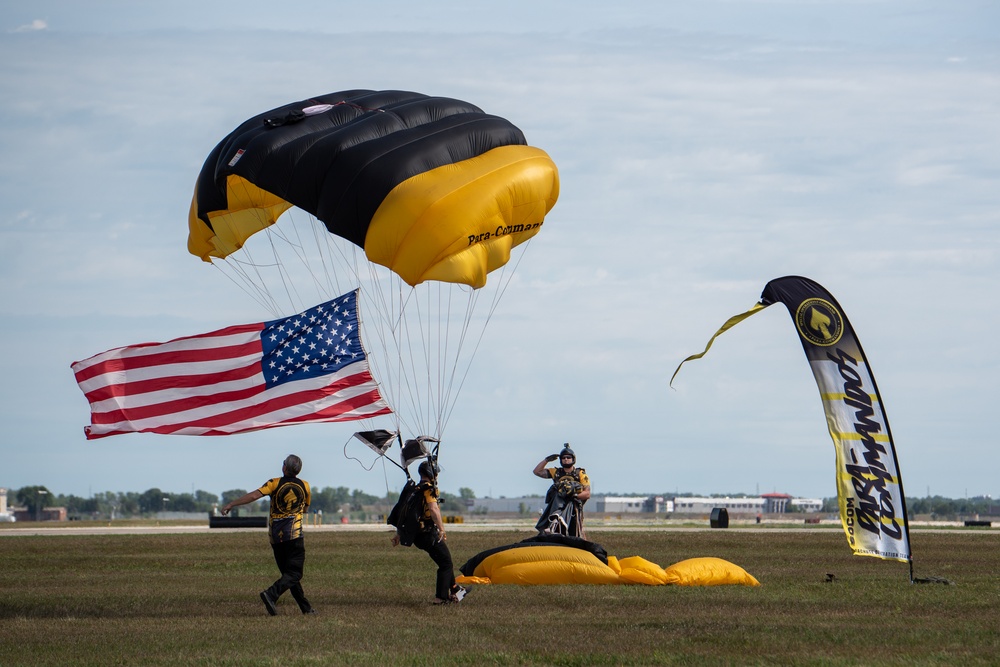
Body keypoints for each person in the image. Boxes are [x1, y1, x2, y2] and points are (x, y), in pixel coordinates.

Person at [221, 454, 315, 616]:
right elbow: (305, 509)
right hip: (294, 535)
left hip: (276, 537)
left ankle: (306, 609)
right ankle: (271, 594)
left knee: (289, 574)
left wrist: (231, 504)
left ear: (284, 467)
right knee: (295, 573)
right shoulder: (305, 486)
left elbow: (254, 496)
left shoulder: (274, 483)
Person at [390, 458, 466, 605]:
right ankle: (441, 598)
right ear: (432, 474)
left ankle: (456, 589)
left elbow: (404, 513)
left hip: (417, 535)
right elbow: (433, 509)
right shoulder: (428, 490)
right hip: (427, 534)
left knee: (444, 560)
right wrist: (442, 529)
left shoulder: (414, 489)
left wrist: (398, 534)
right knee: (446, 563)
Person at [533, 443, 591, 538]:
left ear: (573, 459)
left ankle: (558, 521)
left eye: (568, 457)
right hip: (556, 501)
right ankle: (554, 521)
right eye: (563, 458)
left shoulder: (580, 474)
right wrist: (546, 460)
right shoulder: (556, 472)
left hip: (573, 504)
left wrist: (574, 495)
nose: (566, 459)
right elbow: (537, 471)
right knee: (557, 492)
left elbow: (587, 493)